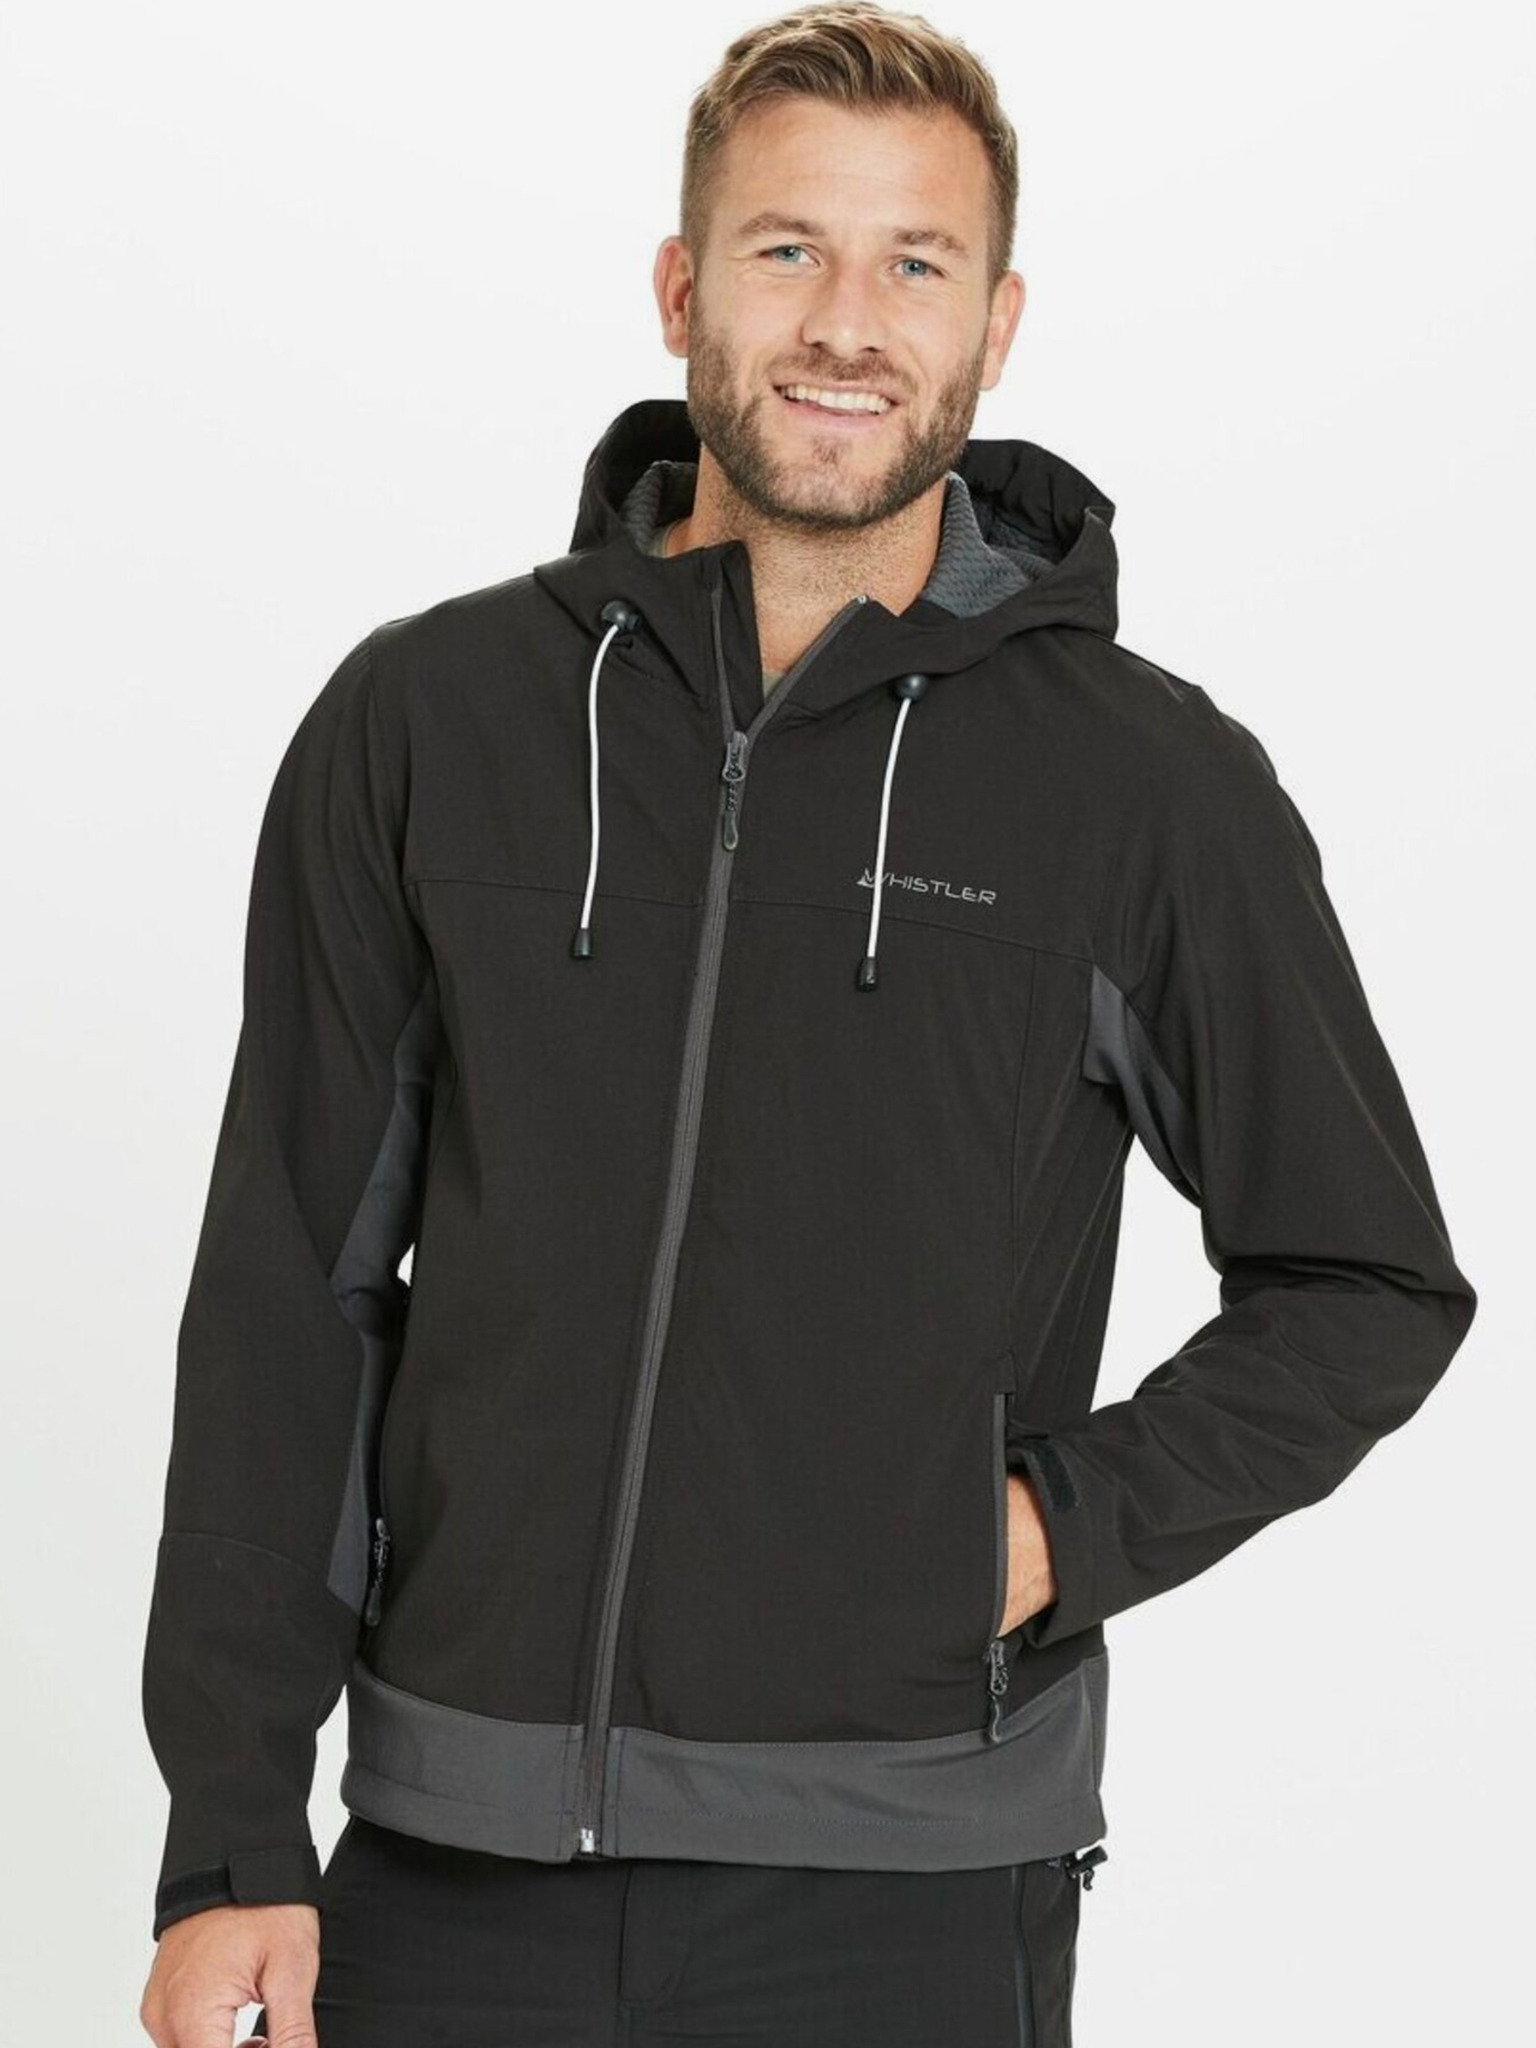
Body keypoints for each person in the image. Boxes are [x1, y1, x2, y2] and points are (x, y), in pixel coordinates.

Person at [137, 6, 1478, 2045]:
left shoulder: (1143, 787)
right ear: (683, 289)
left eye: (913, 264)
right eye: (787, 251)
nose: (847, 323)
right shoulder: (431, 724)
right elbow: (287, 1297)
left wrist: (1049, 1533)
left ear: (995, 324)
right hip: (449, 1869)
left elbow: (1366, 1277)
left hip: (905, 1894)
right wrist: (235, 1836)